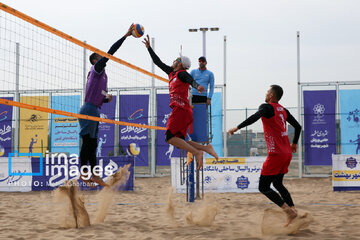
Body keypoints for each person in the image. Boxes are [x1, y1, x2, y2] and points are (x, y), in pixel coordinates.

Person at [228, 85, 302, 226]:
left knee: (263, 187)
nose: (266, 93)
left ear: (272, 96)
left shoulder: (267, 107)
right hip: (287, 153)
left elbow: (255, 117)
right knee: (278, 183)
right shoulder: (283, 110)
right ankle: (293, 210)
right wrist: (294, 144)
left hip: (276, 154)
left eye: (268, 91)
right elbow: (298, 126)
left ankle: (288, 211)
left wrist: (237, 128)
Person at [142, 35, 218, 169]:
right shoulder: (171, 73)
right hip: (182, 111)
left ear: (180, 64)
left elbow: (190, 79)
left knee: (169, 137)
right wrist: (149, 48)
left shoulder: (181, 73)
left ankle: (196, 152)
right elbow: (157, 62)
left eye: (176, 60)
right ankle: (205, 148)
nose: (174, 60)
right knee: (180, 141)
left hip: (181, 110)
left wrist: (197, 86)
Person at [79, 24, 134, 187]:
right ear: (96, 60)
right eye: (99, 56)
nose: (102, 58)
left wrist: (106, 99)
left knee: (93, 145)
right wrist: (125, 36)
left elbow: (99, 97)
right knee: (88, 144)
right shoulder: (96, 68)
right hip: (88, 108)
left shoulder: (102, 76)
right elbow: (111, 52)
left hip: (94, 109)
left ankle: (95, 175)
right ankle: (84, 173)